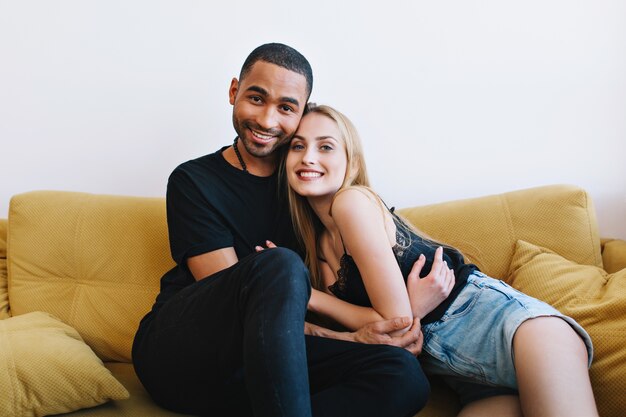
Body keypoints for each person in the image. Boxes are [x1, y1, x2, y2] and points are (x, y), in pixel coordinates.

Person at [132, 43, 432, 417]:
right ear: (233, 93)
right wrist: (348, 338)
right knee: (281, 265)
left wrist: (411, 308)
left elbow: (353, 284)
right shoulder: (194, 181)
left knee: (403, 375)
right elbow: (242, 309)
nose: (268, 120)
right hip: (185, 355)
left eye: (286, 107)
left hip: (268, 366)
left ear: (301, 113)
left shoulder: (308, 185)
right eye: (256, 98)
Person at [279, 103, 599, 417]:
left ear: (353, 164)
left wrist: (308, 295)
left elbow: (395, 321)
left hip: (519, 332)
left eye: (326, 147)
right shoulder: (317, 249)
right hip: (473, 382)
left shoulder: (352, 202)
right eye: (298, 146)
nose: (309, 157)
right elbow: (378, 333)